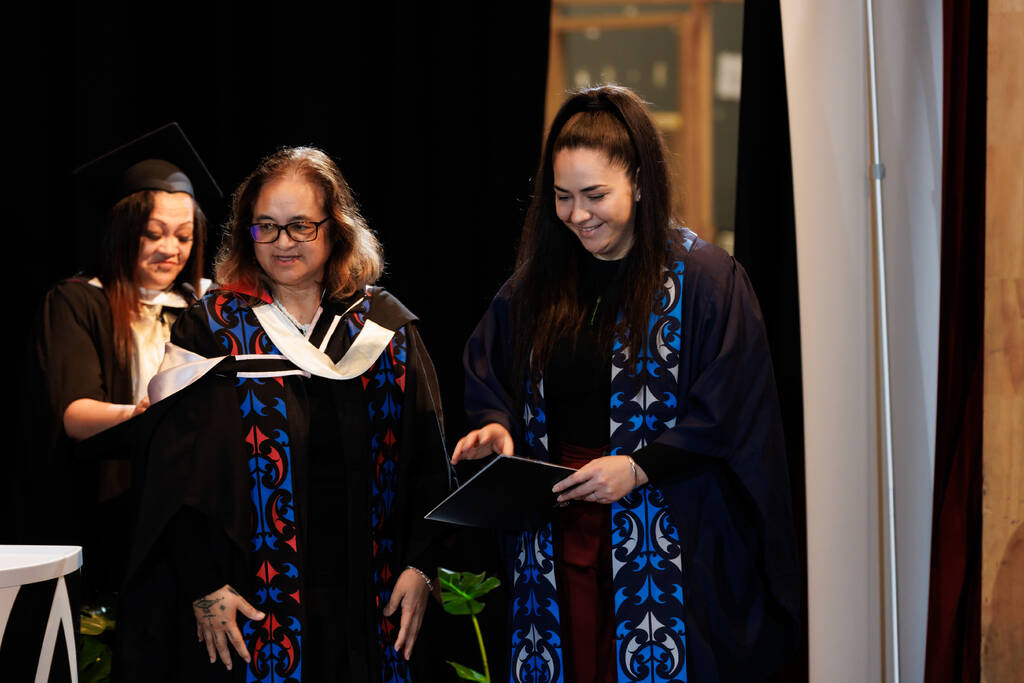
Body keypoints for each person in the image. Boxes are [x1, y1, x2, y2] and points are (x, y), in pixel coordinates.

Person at [452, 85, 800, 682]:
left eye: (595, 195)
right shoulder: (539, 283)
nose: (578, 215)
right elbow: (492, 368)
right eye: (563, 197)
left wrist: (638, 467)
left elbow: (730, 406)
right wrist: (497, 426)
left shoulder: (706, 280)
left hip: (668, 536)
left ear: (638, 180)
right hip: (557, 538)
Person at [114, 146, 453, 682]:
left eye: (300, 226)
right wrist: (204, 585)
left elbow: (430, 461)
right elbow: (170, 476)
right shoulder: (211, 331)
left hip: (370, 599)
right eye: (266, 227)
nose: (282, 243)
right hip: (248, 603)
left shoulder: (384, 329)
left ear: (334, 228)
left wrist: (420, 564)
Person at [19, 123, 218, 600]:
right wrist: (143, 416)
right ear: (124, 231)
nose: (171, 249)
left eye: (184, 237)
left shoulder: (203, 306)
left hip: (189, 506)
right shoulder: (79, 302)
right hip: (107, 504)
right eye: (154, 234)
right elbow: (74, 414)